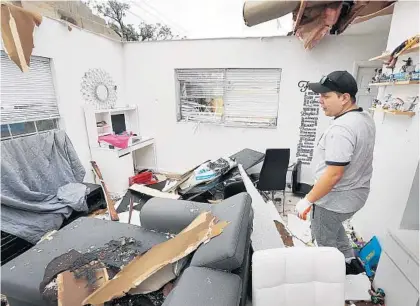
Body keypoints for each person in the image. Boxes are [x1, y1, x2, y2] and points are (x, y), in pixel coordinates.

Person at [295, 70, 375, 274]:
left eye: (326, 96)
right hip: (356, 195)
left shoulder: (342, 129)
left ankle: (332, 277)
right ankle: (351, 262)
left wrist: (308, 200)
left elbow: (333, 175)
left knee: (324, 241)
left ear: (345, 98)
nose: (320, 101)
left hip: (333, 200)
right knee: (335, 228)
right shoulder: (364, 117)